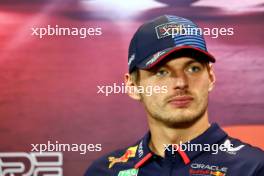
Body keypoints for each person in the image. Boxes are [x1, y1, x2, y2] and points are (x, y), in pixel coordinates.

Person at [84, 15, 264, 176]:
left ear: (210, 76)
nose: (181, 83)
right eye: (161, 72)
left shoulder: (253, 168)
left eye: (193, 68)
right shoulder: (104, 172)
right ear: (133, 86)